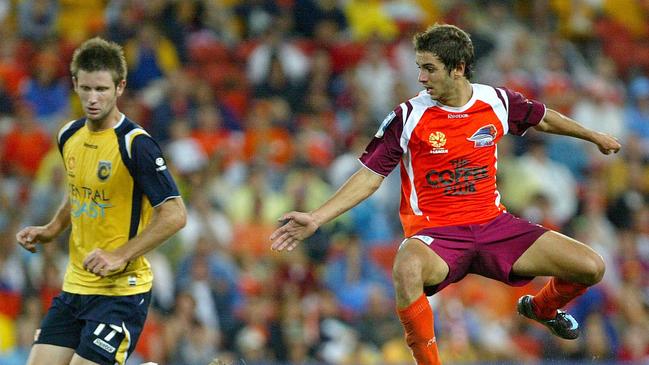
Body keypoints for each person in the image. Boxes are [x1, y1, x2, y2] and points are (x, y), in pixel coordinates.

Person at [270, 24, 621, 365]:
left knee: (591, 267)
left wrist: (593, 136)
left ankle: (541, 308)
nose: (421, 78)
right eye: (419, 68)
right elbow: (370, 177)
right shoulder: (408, 116)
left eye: (429, 69)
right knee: (407, 265)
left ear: (458, 68)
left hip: (493, 225)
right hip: (437, 235)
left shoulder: (496, 101)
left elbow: (542, 118)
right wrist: (316, 217)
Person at [15, 37, 186, 365]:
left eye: (102, 90)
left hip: (121, 292)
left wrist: (119, 255)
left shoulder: (136, 145)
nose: (93, 99)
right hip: (75, 287)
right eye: (87, 88)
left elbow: (175, 214)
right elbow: (79, 191)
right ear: (75, 84)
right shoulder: (69, 135)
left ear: (120, 87)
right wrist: (52, 229)